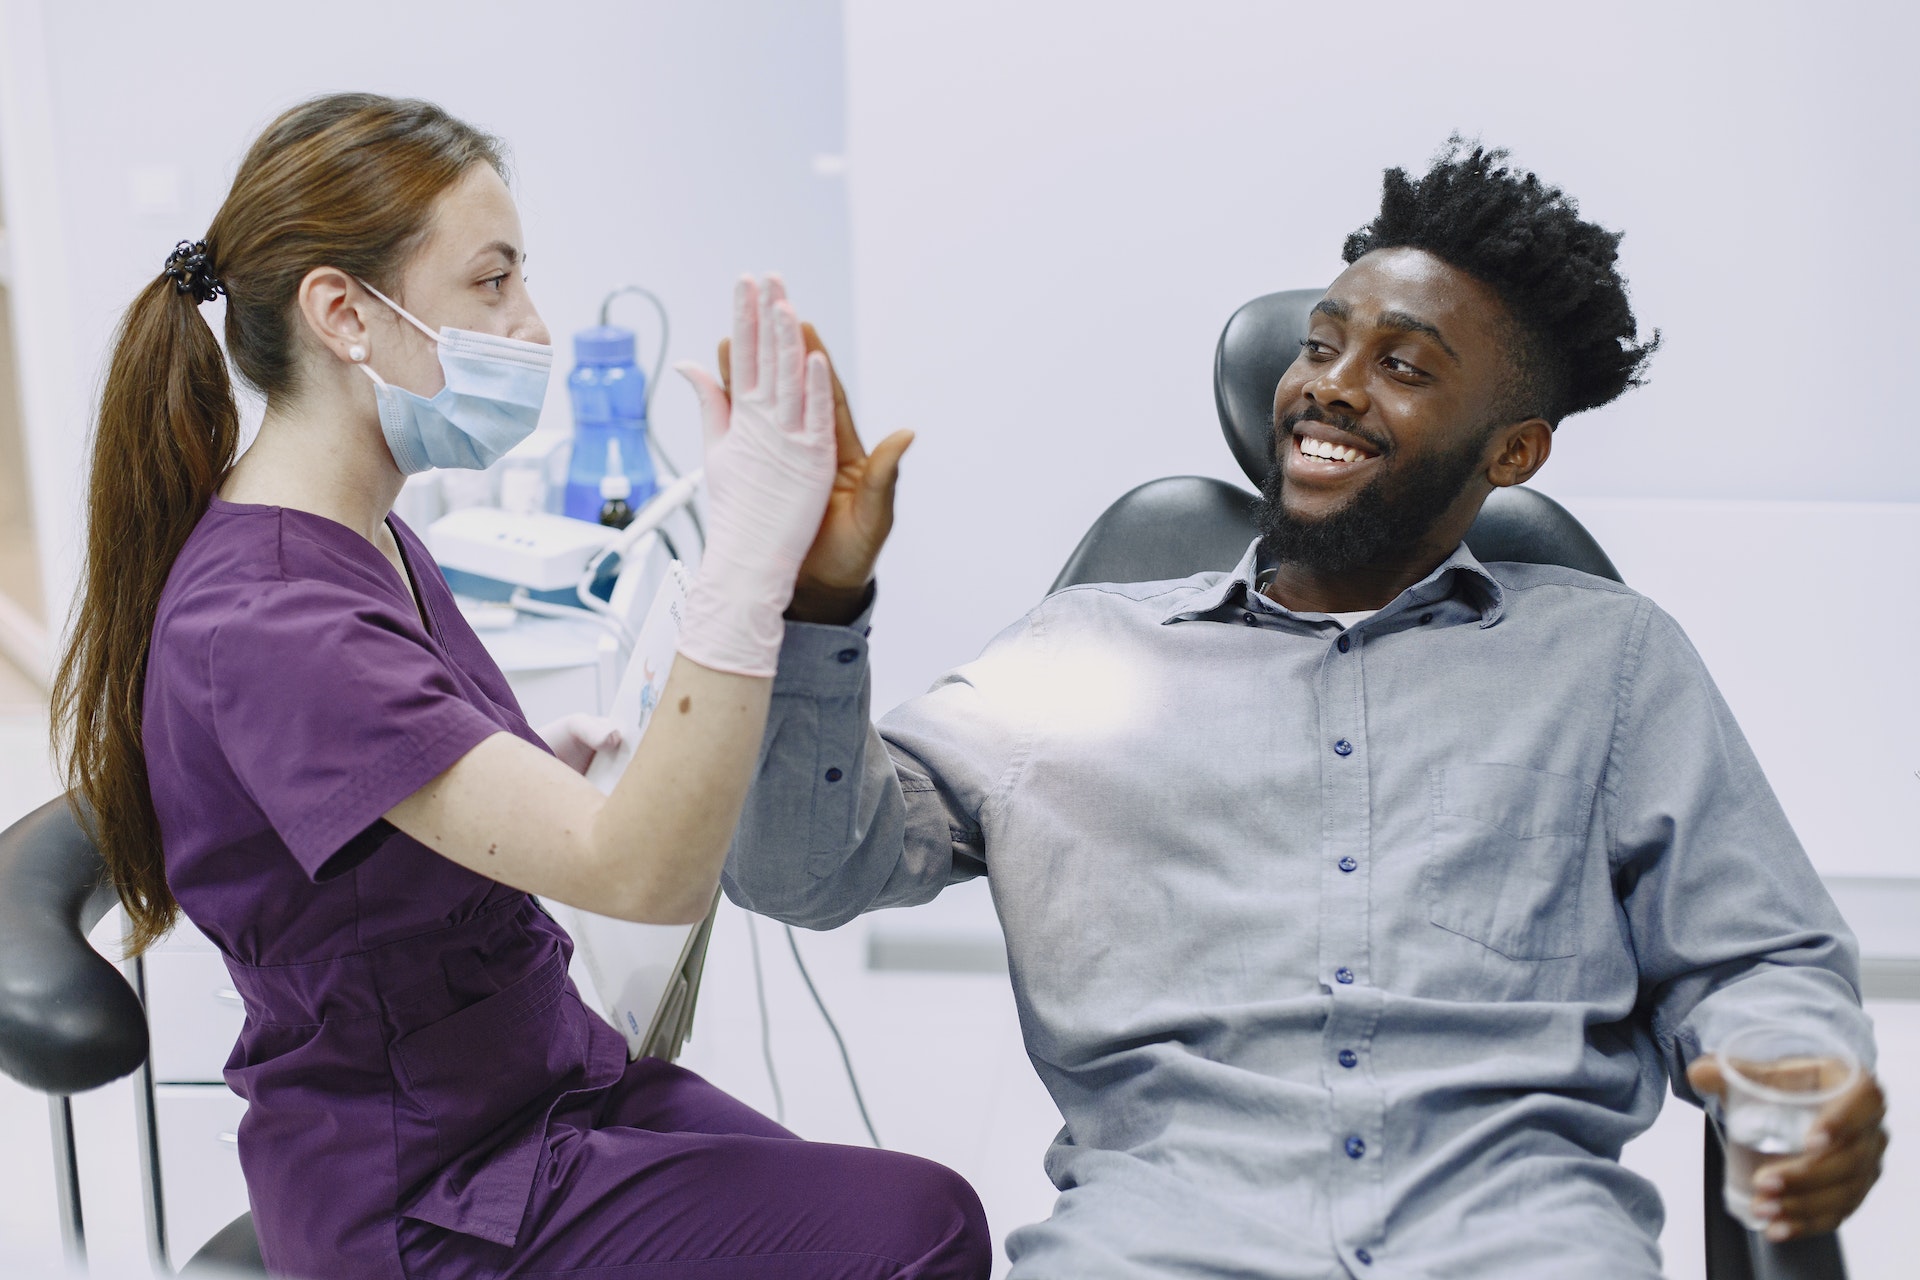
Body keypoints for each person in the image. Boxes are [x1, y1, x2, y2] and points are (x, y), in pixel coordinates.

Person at [720, 140, 1888, 1278]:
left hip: (1518, 1236)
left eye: (1404, 365)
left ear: (1514, 451)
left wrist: (1798, 1073)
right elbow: (801, 871)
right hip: (1164, 1238)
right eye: (1323, 345)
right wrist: (818, 598)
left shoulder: (1611, 661)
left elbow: (1759, 955)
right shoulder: (1083, 651)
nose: (1332, 381)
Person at [50, 93, 989, 1280]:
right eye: (492, 283)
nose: (532, 325)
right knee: (925, 1229)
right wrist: (746, 568)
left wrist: (509, 774)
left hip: (535, 1090)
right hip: (425, 1193)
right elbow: (641, 876)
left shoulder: (363, 531)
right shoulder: (274, 616)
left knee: (874, 1215)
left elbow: (361, 811)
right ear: (344, 313)